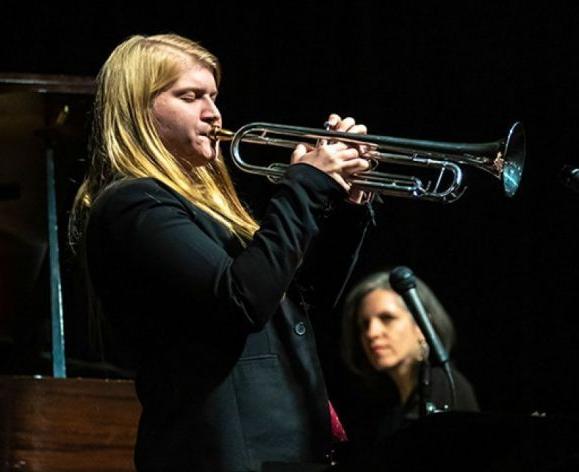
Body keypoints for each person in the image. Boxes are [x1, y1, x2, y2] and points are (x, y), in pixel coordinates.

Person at [68, 33, 375, 471]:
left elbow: (295, 302)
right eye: (190, 96)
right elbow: (240, 300)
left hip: (285, 452)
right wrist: (304, 186)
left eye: (213, 96)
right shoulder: (133, 205)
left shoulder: (202, 209)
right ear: (139, 109)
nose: (213, 113)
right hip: (223, 456)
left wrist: (347, 206)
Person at [339, 270, 479, 450]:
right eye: (364, 324)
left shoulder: (444, 385)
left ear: (421, 326)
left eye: (387, 318)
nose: (371, 333)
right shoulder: (389, 410)